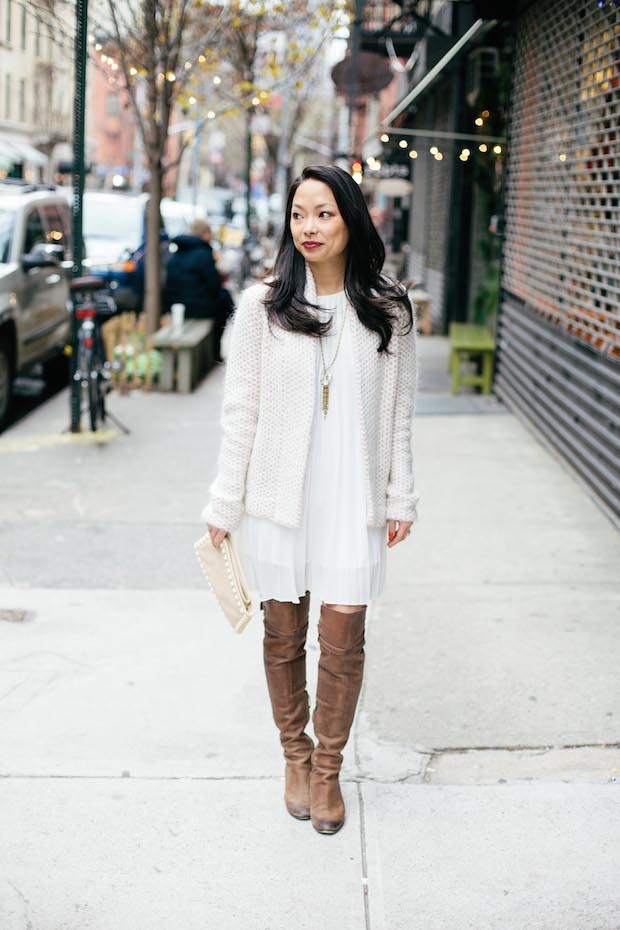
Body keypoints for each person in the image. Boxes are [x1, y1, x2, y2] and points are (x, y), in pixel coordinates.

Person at [202, 165, 419, 835]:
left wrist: (400, 495)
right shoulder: (261, 308)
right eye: (299, 214)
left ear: (351, 219)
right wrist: (223, 504)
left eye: (323, 213)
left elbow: (401, 414)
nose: (309, 228)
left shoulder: (389, 309)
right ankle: (294, 757)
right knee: (283, 633)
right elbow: (241, 412)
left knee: (344, 639)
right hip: (279, 498)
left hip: (351, 499)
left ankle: (328, 770)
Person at [164, 218, 232, 362]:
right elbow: (214, 285)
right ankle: (214, 353)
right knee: (225, 300)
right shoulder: (203, 254)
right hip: (198, 308)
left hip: (177, 306)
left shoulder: (177, 252)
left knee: (223, 299)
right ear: (205, 234)